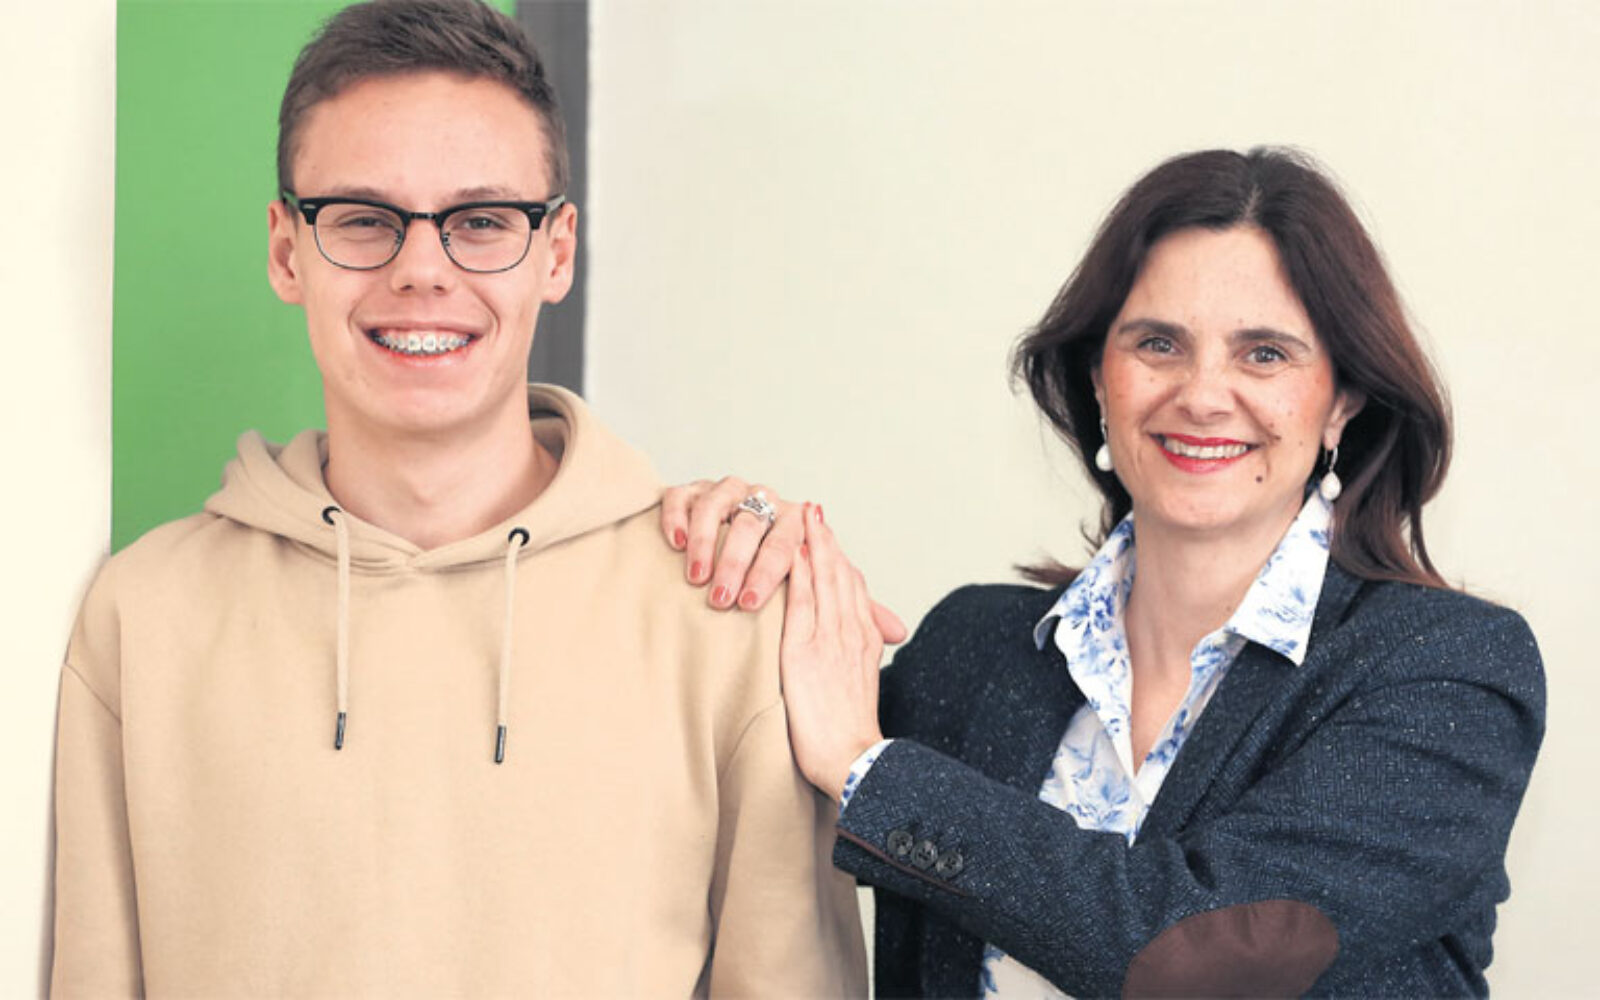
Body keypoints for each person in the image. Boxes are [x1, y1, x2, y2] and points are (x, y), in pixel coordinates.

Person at [49, 1, 867, 995]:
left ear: (556, 251)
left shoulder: (727, 611)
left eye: (480, 222)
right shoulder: (141, 617)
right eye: (364, 219)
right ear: (285, 250)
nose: (422, 271)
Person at [666, 148, 1545, 996]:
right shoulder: (972, 650)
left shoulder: (1445, 674)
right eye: (1158, 344)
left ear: (1342, 400)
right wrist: (731, 557)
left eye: (1264, 354)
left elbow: (1191, 959)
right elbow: (712, 798)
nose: (1202, 395)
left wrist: (870, 771)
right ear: (1098, 377)